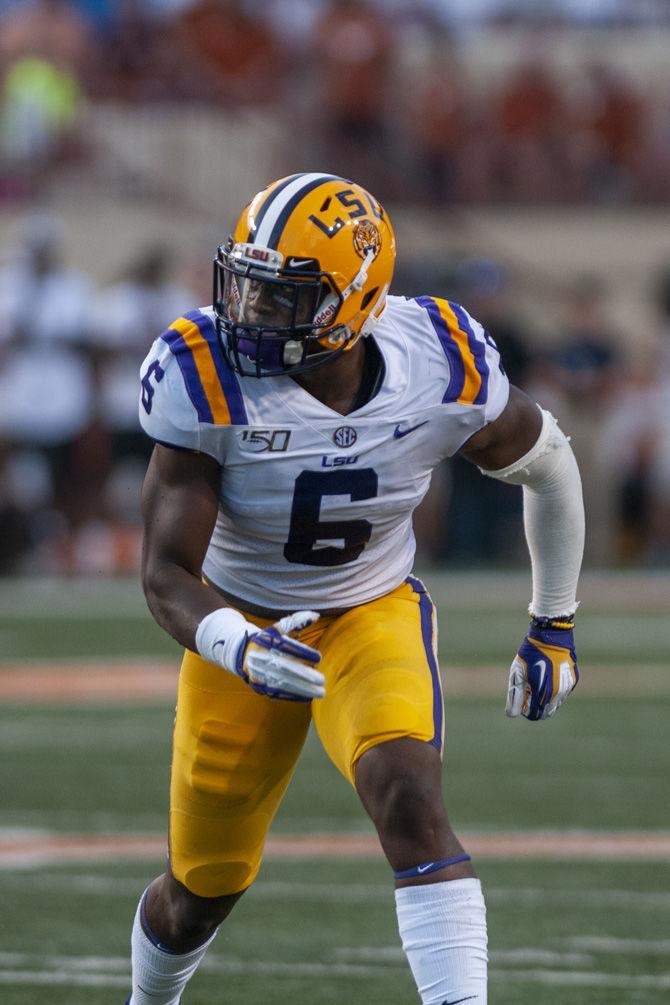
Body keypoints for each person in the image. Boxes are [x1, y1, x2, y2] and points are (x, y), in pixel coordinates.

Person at [128, 172, 584, 1005]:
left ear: (356, 300)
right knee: (201, 890)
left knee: (410, 798)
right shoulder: (204, 375)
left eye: (282, 298)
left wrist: (553, 620)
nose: (249, 315)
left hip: (370, 609)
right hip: (238, 618)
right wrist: (238, 640)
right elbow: (164, 573)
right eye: (247, 286)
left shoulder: (438, 361)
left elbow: (548, 463)